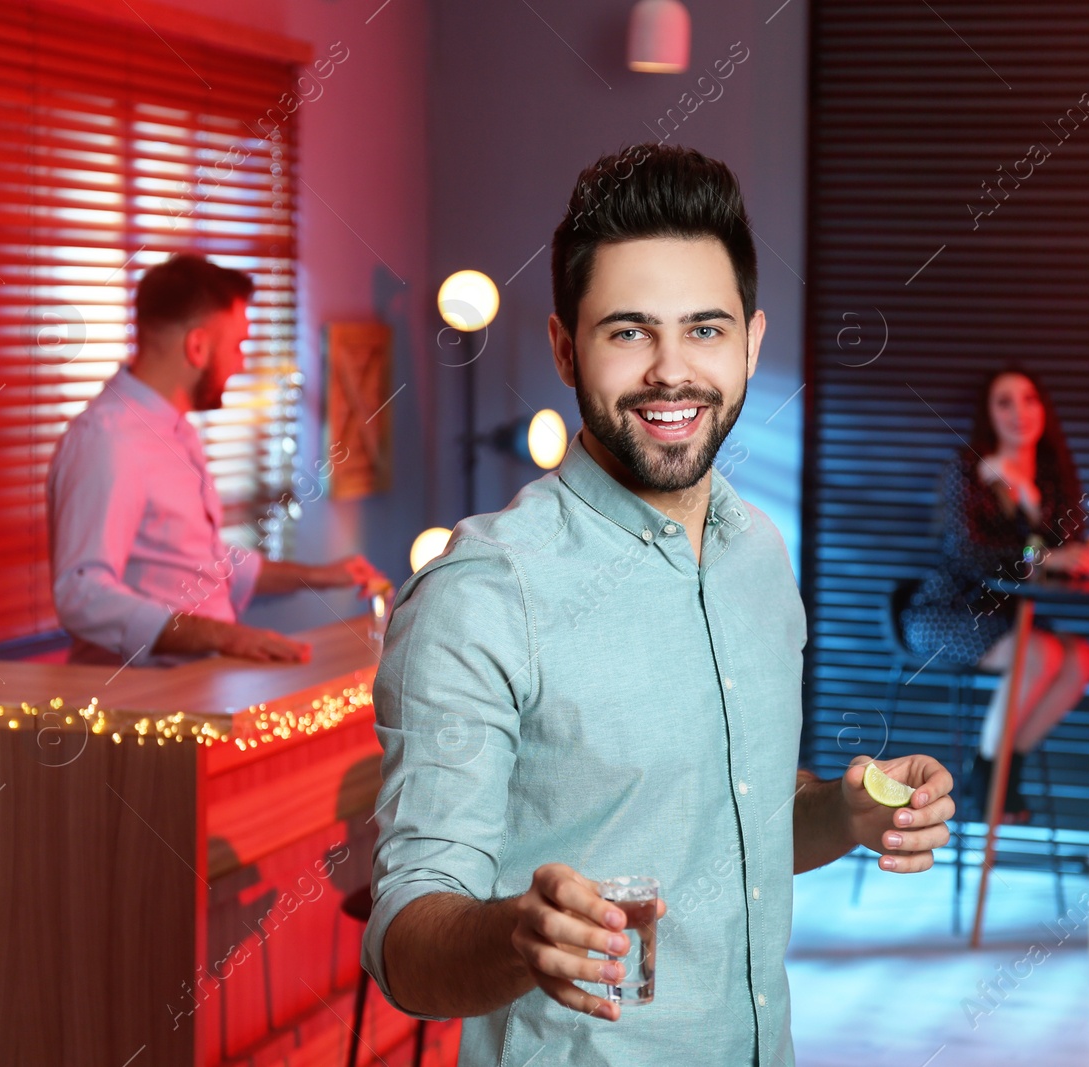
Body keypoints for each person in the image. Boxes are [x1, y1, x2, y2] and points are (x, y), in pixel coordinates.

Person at [361, 144, 955, 1067]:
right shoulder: (483, 594)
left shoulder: (758, 551)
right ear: (565, 346)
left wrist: (843, 812)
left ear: (752, 341)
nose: (671, 372)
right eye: (629, 331)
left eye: (705, 330)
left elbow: (735, 828)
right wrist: (520, 933)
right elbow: (403, 941)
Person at [47, 253, 389, 666]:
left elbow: (198, 560)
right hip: (149, 706)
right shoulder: (108, 440)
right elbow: (82, 593)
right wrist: (225, 637)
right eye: (238, 345)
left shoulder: (175, 431)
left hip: (198, 685)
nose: (242, 362)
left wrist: (317, 576)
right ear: (197, 347)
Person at [900, 367, 1089, 821]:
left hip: (1011, 617)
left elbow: (1067, 546)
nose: (1019, 413)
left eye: (1029, 400)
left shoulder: (1049, 477)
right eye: (1004, 402)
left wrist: (1029, 501)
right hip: (945, 611)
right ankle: (985, 779)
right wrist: (1047, 556)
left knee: (1083, 659)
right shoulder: (967, 469)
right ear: (988, 415)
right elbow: (967, 553)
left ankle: (1005, 770)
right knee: (1042, 655)